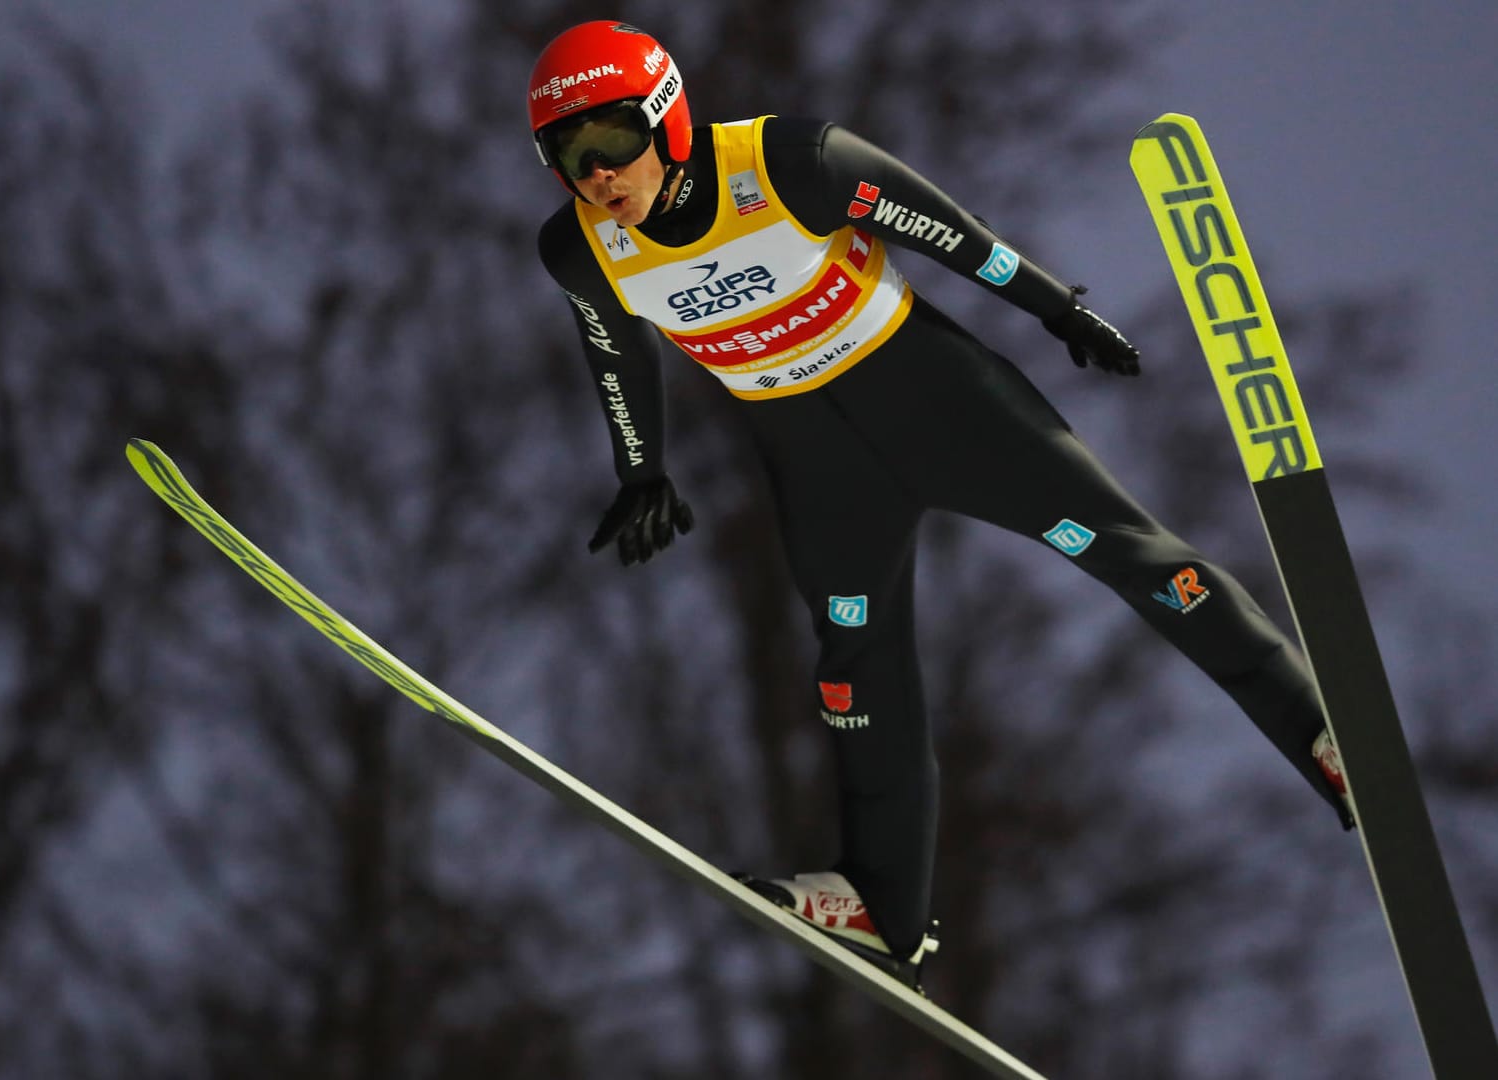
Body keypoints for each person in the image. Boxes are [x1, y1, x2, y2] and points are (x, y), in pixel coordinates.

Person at [529, 19, 1354, 989]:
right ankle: (885, 909)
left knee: (1131, 556)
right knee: (853, 667)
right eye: (568, 156)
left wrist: (1059, 308)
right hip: (819, 462)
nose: (596, 175)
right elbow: (618, 355)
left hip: (940, 407)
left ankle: (1322, 737)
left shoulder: (791, 160)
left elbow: (955, 235)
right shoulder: (583, 249)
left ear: (665, 120)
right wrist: (641, 471)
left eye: (611, 143)